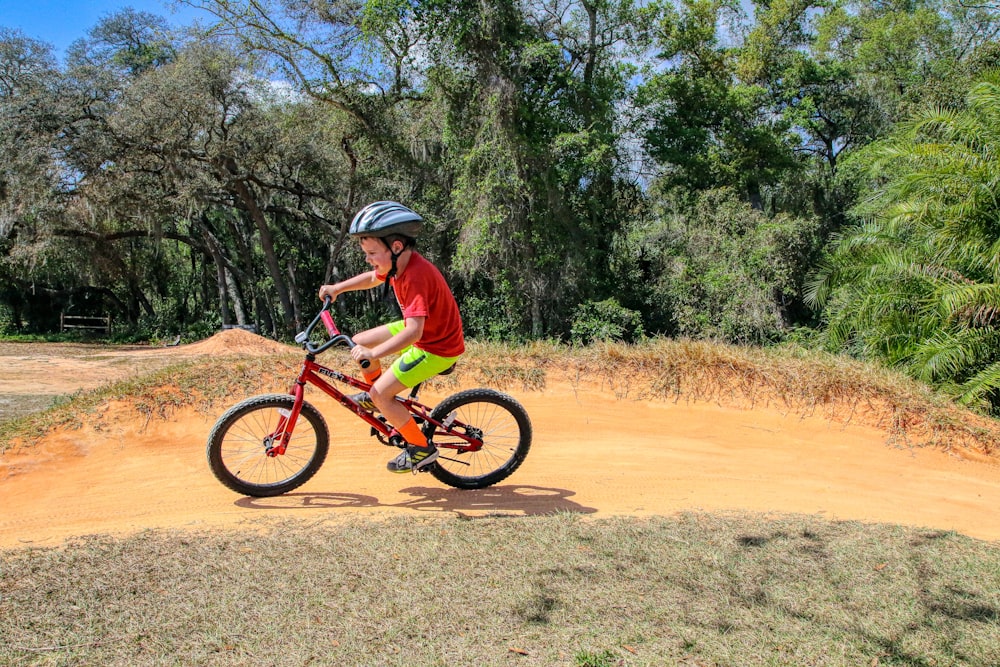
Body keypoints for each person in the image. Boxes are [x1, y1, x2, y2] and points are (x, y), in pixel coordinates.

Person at [318, 201, 465, 473]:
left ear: (396, 247)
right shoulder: (398, 266)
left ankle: (421, 448)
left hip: (437, 346)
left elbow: (414, 332)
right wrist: (337, 288)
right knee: (360, 340)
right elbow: (373, 278)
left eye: (372, 252)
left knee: (381, 393)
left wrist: (374, 355)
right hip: (429, 331)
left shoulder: (416, 277)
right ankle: (380, 398)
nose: (368, 258)